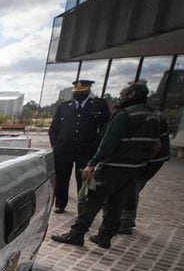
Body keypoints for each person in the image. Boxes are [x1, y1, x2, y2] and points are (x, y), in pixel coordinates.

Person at [51, 81, 165, 249]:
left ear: (132, 95)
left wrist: (94, 162)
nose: (121, 95)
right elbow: (157, 146)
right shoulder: (155, 116)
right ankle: (104, 237)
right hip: (134, 168)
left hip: (113, 166)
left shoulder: (124, 115)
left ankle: (76, 234)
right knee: (116, 203)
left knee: (92, 200)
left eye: (124, 92)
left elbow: (108, 142)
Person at [48, 80, 110, 213]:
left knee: (83, 178)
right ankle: (60, 203)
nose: (78, 93)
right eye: (76, 91)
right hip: (64, 150)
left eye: (81, 91)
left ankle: (83, 207)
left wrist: (97, 146)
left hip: (86, 150)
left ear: (88, 90)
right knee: (62, 178)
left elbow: (106, 128)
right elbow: (54, 129)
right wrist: (56, 145)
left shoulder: (98, 105)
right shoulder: (64, 106)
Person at [116, 115, 170, 234]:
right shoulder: (150, 116)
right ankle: (126, 219)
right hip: (149, 160)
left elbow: (156, 146)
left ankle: (125, 221)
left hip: (147, 162)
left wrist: (141, 162)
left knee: (131, 189)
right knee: (131, 188)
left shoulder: (150, 118)